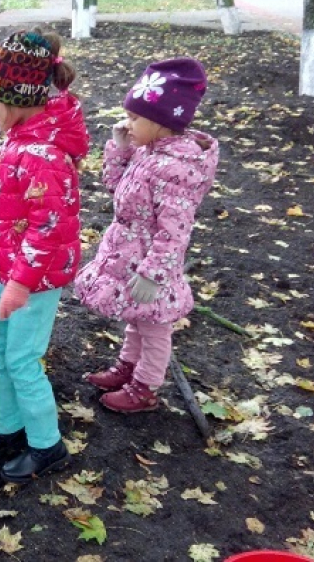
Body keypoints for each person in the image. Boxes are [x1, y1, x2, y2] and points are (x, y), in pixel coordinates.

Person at [0, 28, 89, 483]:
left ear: (17, 98)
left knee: (21, 359)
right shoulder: (23, 136)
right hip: (16, 273)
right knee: (0, 348)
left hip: (34, 281)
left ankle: (46, 444)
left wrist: (18, 284)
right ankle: (7, 426)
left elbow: (50, 228)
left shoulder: (44, 154)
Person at [73, 57, 219, 413]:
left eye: (136, 118)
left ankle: (146, 386)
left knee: (155, 328)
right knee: (137, 318)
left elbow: (175, 231)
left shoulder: (176, 169)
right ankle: (127, 366)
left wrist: (155, 274)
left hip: (152, 264)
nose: (128, 122)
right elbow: (115, 188)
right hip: (130, 252)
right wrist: (121, 148)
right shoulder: (149, 152)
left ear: (163, 121)